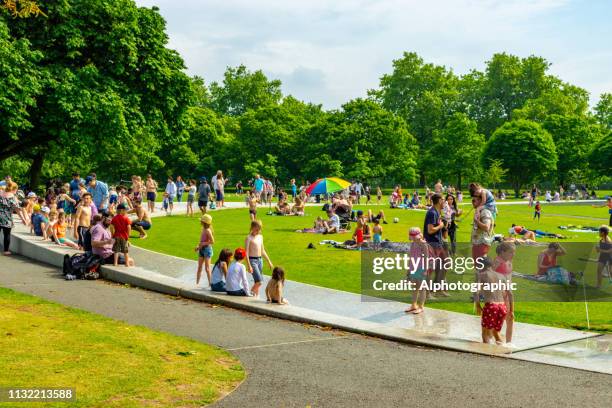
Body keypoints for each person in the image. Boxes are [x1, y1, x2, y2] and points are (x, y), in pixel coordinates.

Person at [475, 257, 507, 345]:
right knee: (495, 333)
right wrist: (511, 310)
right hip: (502, 307)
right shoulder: (501, 276)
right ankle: (503, 349)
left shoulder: (481, 275)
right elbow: (507, 293)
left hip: (491, 306)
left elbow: (476, 292)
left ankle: (486, 353)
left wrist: (478, 305)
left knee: (485, 334)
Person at [424, 193, 448, 297]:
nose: (445, 202)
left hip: (439, 243)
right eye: (443, 200)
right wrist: (441, 225)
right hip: (432, 243)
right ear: (439, 201)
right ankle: (427, 292)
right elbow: (430, 230)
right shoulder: (432, 213)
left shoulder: (438, 212)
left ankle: (438, 288)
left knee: (445, 263)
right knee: (430, 268)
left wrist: (444, 226)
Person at [405, 227, 433, 314]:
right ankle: (414, 304)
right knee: (414, 287)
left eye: (414, 237)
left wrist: (425, 269)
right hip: (414, 267)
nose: (413, 239)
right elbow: (411, 257)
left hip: (421, 267)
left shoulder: (423, 244)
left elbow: (426, 257)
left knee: (421, 288)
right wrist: (409, 269)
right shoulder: (413, 244)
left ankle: (421, 306)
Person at [493, 241, 515, 345]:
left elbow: (509, 278)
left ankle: (509, 343)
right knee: (498, 318)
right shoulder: (497, 262)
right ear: (502, 252)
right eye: (511, 252)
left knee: (510, 317)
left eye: (514, 252)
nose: (513, 254)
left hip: (507, 293)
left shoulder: (509, 262)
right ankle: (494, 339)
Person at [245, 220, 273, 298]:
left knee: (257, 281)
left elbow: (262, 250)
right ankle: (248, 293)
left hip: (260, 260)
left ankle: (255, 295)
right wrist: (249, 265)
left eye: (259, 229)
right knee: (259, 281)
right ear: (252, 228)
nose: (258, 231)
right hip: (252, 260)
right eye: (257, 229)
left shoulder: (260, 237)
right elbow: (246, 253)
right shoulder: (248, 238)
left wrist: (269, 261)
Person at [0, 181, 26, 255]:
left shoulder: (0, 193)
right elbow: (17, 210)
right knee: (7, 234)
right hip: (7, 218)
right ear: (14, 189)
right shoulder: (13, 197)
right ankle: (6, 251)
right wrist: (23, 219)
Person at [471, 195, 494, 267]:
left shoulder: (485, 212)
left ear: (481, 202)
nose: (472, 203)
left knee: (481, 266)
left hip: (482, 242)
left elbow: (487, 227)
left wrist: (476, 221)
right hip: (477, 242)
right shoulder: (479, 211)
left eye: (474, 201)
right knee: (477, 265)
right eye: (472, 201)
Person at [195, 214, 214, 287]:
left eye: (201, 221)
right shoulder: (203, 229)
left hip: (207, 250)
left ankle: (210, 284)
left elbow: (212, 241)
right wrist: (198, 246)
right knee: (199, 267)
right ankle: (197, 283)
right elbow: (201, 240)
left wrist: (203, 243)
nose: (200, 222)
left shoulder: (208, 231)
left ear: (204, 222)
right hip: (202, 249)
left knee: (207, 268)